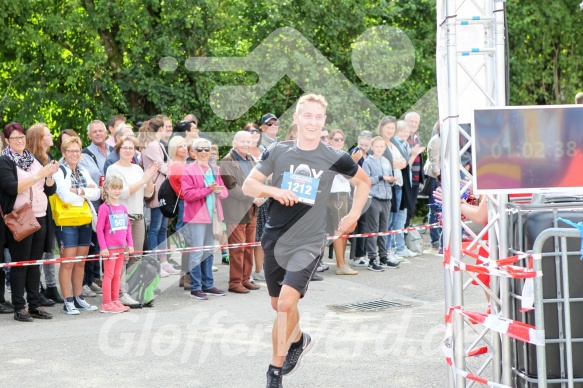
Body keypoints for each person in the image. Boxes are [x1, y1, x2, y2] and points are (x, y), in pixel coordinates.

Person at [241, 94, 371, 387]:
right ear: (297, 119)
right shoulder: (278, 150)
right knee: (278, 305)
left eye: (318, 117)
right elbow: (250, 184)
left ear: (324, 121)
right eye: (307, 116)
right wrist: (274, 191)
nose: (312, 121)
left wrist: (352, 215)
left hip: (310, 241)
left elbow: (364, 182)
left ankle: (273, 373)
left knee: (286, 304)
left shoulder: (332, 155)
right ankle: (299, 340)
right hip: (275, 237)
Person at [0, 122, 60, 321]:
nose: (20, 141)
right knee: (21, 264)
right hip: (21, 217)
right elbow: (11, 187)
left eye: (22, 137)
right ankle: (20, 307)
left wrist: (49, 176)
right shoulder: (5, 161)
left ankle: (35, 304)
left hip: (41, 215)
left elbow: (49, 190)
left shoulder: (32, 158)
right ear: (7, 141)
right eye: (15, 138)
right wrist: (38, 176)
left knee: (35, 263)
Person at [53, 136, 102, 315]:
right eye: (71, 151)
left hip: (84, 219)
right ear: (64, 153)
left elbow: (97, 193)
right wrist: (85, 192)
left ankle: (78, 297)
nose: (75, 154)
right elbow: (64, 196)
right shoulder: (59, 171)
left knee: (80, 262)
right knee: (68, 262)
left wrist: (78, 191)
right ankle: (67, 300)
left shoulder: (83, 170)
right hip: (66, 222)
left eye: (77, 151)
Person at [106, 135, 156, 305]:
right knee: (123, 257)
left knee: (136, 256)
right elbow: (124, 192)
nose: (128, 150)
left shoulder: (137, 169)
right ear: (119, 150)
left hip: (138, 216)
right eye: (124, 147)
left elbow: (148, 194)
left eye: (131, 148)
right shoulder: (114, 169)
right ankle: (120, 292)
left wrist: (149, 181)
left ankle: (134, 290)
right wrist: (143, 180)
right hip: (121, 217)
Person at [182, 138, 228, 300]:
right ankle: (196, 287)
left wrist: (217, 191)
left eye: (206, 149)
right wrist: (208, 190)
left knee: (209, 252)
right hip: (196, 217)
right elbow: (187, 195)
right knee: (197, 252)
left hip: (213, 215)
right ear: (194, 153)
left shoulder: (215, 169)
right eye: (199, 150)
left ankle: (208, 285)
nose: (203, 152)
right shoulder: (189, 170)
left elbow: (224, 193)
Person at [25, 123, 63, 305]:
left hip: (45, 210)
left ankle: (46, 288)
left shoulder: (47, 157)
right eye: (48, 134)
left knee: (43, 252)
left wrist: (49, 177)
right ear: (39, 139)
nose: (52, 137)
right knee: (33, 256)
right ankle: (35, 291)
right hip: (31, 212)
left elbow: (50, 190)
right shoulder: (29, 159)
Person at [138, 117, 180, 276]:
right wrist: (174, 171)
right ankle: (156, 263)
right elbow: (161, 165)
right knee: (156, 228)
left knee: (162, 228)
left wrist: (172, 167)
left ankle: (163, 262)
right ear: (160, 129)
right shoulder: (152, 145)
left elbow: (169, 162)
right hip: (157, 189)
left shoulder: (156, 144)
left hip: (162, 188)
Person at [220, 131, 260, 293]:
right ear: (234, 143)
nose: (246, 144)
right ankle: (235, 283)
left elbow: (256, 181)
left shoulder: (251, 159)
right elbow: (231, 187)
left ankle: (245, 279)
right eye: (242, 141)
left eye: (248, 141)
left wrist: (259, 194)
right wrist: (253, 197)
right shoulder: (227, 161)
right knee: (238, 248)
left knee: (249, 246)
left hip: (252, 210)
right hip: (236, 211)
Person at [78, 120, 112, 297]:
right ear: (89, 135)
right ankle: (85, 282)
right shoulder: (84, 155)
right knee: (91, 245)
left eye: (101, 130)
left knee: (103, 246)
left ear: (106, 132)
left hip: (111, 206)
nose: (98, 133)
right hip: (93, 206)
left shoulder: (114, 152)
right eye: (94, 132)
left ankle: (94, 280)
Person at [96, 175, 133, 313]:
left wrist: (130, 244)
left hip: (121, 247)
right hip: (110, 249)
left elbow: (127, 227)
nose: (117, 191)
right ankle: (106, 303)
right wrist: (103, 247)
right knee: (109, 275)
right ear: (107, 189)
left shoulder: (123, 207)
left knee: (117, 275)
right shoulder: (104, 208)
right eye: (114, 188)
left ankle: (115, 300)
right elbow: (99, 229)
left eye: (119, 188)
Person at [362, 136, 399, 270]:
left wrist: (391, 180)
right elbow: (366, 180)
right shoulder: (368, 162)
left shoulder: (386, 162)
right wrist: (381, 177)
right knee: (373, 229)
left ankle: (383, 256)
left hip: (386, 198)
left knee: (384, 229)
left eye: (382, 146)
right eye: (377, 146)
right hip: (374, 198)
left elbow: (388, 177)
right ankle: (372, 259)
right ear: (372, 147)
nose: (379, 149)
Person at [326, 129, 358, 275]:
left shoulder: (342, 155)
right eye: (336, 139)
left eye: (341, 139)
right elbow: (342, 176)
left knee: (344, 229)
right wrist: (354, 163)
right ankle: (340, 265)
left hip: (344, 193)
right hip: (336, 194)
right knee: (339, 229)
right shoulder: (330, 155)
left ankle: (342, 263)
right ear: (330, 140)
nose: (339, 142)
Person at [244, 123, 267, 281]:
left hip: (265, 198)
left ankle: (260, 270)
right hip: (249, 200)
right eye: (250, 132)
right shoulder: (243, 154)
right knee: (249, 239)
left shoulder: (264, 151)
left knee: (262, 238)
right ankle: (248, 272)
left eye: (256, 131)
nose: (254, 134)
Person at [167, 136, 191, 289]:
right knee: (189, 241)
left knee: (189, 242)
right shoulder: (178, 166)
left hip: (186, 203)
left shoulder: (182, 164)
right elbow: (188, 187)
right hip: (185, 203)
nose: (183, 148)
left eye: (185, 146)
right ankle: (188, 277)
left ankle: (186, 276)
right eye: (180, 146)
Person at [404, 112, 426, 228]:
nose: (413, 124)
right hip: (407, 179)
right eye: (411, 121)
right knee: (404, 210)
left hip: (416, 179)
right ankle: (399, 240)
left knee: (410, 209)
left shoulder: (417, 137)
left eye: (416, 122)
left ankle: (404, 236)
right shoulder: (402, 139)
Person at [424, 122, 442, 250]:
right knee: (434, 209)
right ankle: (435, 239)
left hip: (443, 179)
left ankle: (441, 238)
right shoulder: (435, 141)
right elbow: (434, 162)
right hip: (436, 178)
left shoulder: (445, 139)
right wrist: (439, 178)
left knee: (441, 210)